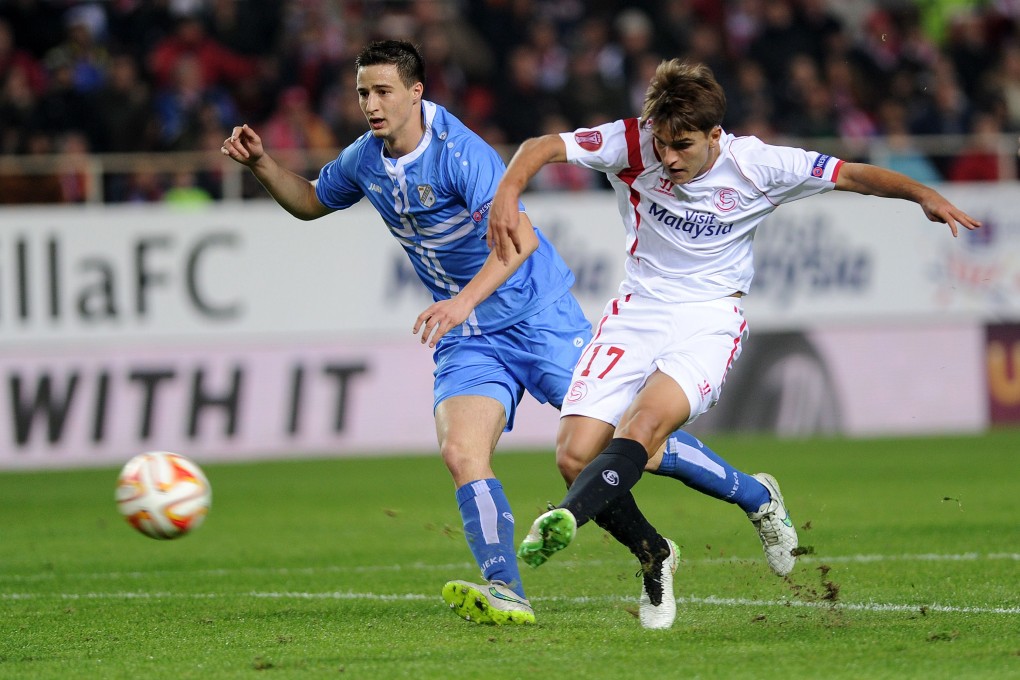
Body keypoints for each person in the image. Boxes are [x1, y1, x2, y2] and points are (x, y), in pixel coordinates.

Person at [221, 42, 795, 630]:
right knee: (461, 452)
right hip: (468, 337)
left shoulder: (460, 154)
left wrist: (459, 302)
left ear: (416, 92)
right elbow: (313, 200)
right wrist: (262, 164)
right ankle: (515, 587)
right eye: (364, 91)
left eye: (384, 91)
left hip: (536, 316)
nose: (371, 103)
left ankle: (755, 496)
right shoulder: (366, 159)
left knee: (630, 443)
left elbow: (516, 243)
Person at [488, 59, 981, 627]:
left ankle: (566, 521)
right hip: (636, 313)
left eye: (683, 145)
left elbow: (852, 174)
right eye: (662, 143)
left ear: (715, 135)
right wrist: (508, 191)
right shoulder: (631, 142)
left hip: (709, 320)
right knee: (574, 456)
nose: (668, 157)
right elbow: (542, 145)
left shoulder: (761, 164)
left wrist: (921, 193)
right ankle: (659, 554)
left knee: (642, 429)